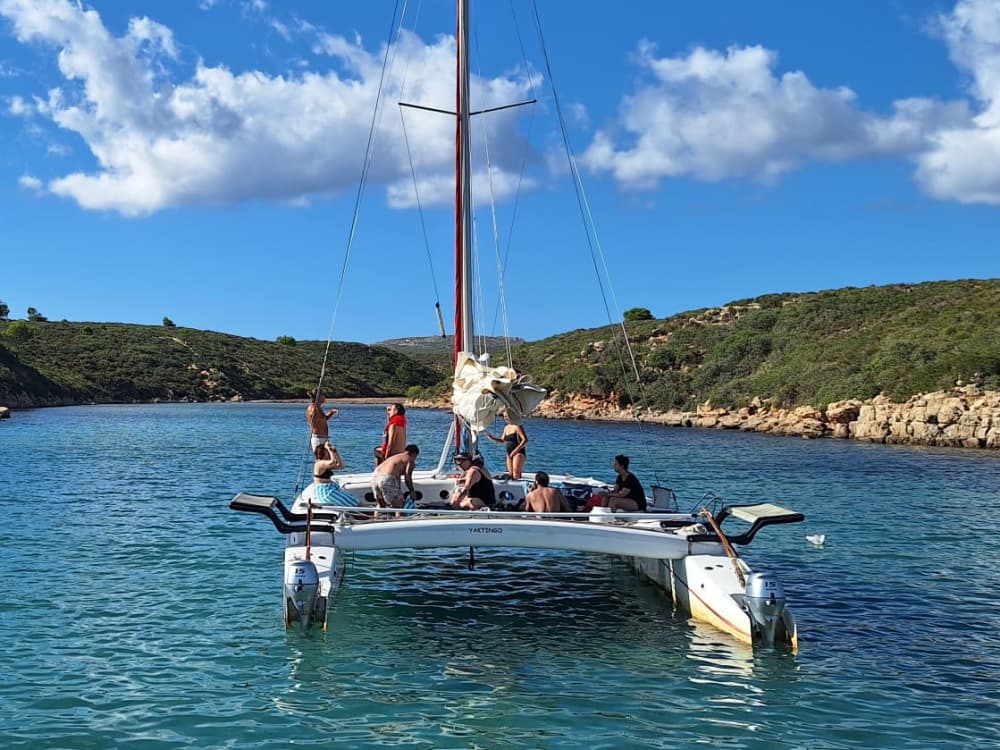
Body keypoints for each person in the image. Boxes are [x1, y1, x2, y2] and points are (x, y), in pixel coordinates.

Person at [372, 443, 419, 511]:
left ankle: (376, 519)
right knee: (399, 506)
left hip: (375, 476)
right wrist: (412, 491)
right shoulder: (410, 460)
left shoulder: (396, 457)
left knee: (380, 505)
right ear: (414, 454)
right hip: (387, 478)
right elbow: (407, 476)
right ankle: (400, 519)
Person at [485, 411, 528, 480]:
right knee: (511, 474)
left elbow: (525, 440)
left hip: (518, 452)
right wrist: (491, 438)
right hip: (509, 453)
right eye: (504, 416)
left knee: (516, 474)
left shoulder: (517, 426)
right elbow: (502, 440)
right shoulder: (506, 428)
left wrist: (515, 451)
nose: (505, 418)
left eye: (507, 416)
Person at [312, 441, 352, 506]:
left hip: (331, 489)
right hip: (325, 492)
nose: (328, 454)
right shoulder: (319, 464)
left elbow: (341, 466)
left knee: (353, 501)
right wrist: (329, 449)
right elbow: (333, 462)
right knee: (352, 503)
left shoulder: (325, 464)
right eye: (327, 453)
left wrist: (336, 452)